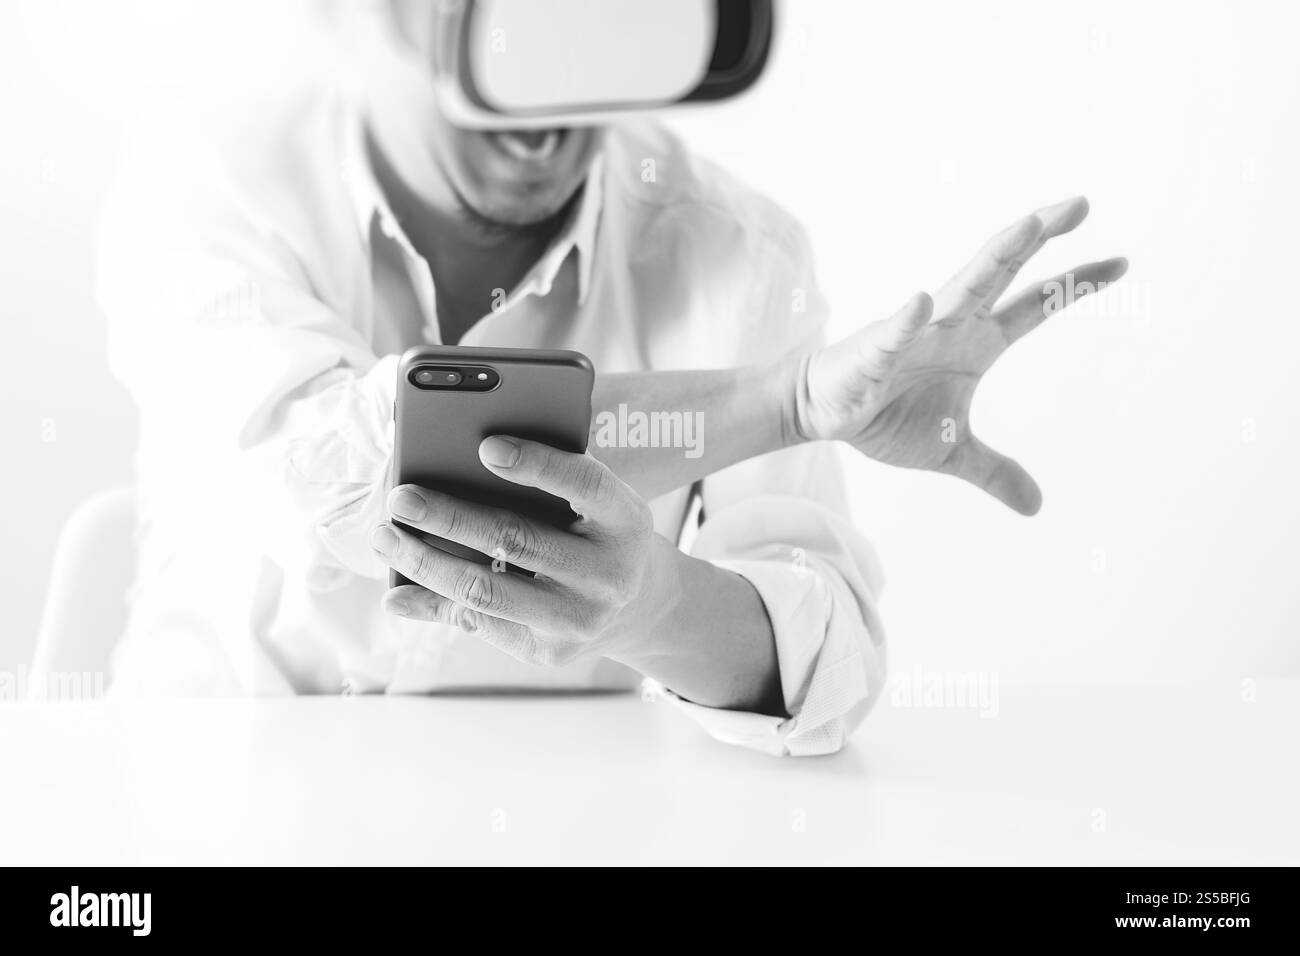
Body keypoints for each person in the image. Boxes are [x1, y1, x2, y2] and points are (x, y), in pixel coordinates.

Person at [95, 2, 1126, 755]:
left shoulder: (736, 253)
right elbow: (328, 469)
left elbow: (827, 664)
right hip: (205, 793)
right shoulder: (207, 181)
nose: (543, 120)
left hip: (562, 823)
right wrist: (783, 403)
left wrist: (657, 608)